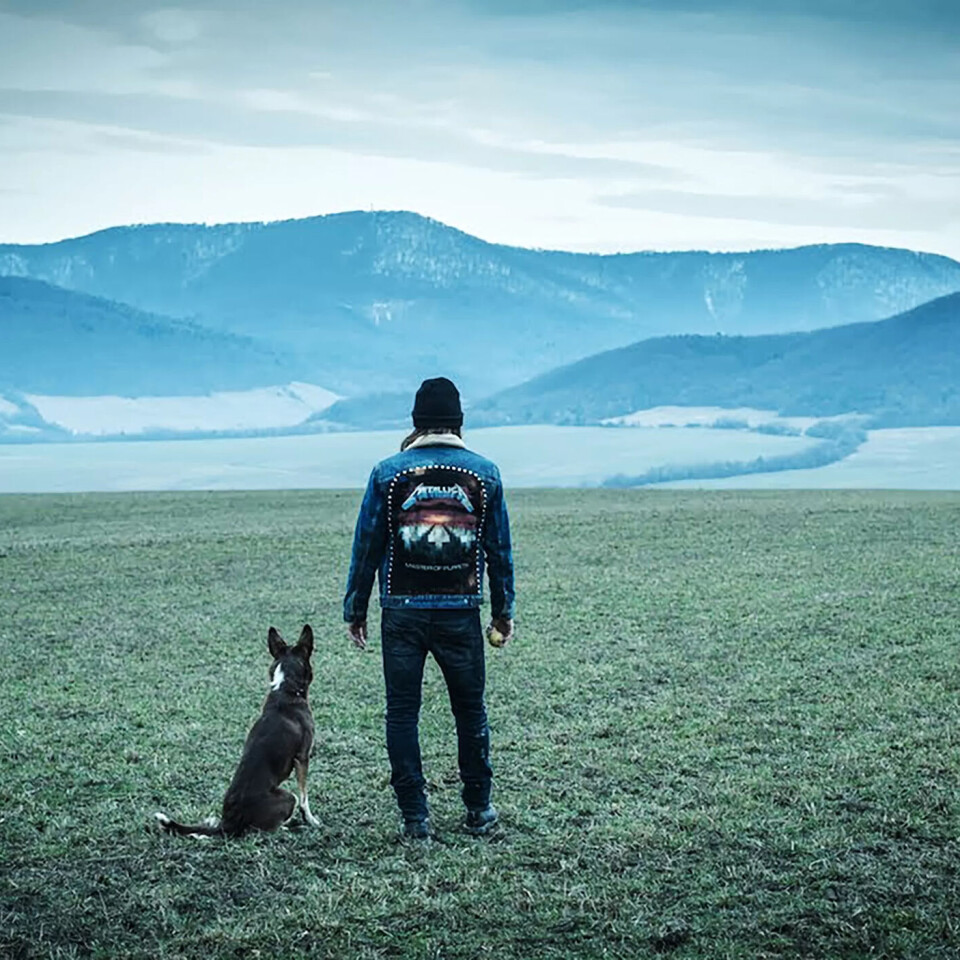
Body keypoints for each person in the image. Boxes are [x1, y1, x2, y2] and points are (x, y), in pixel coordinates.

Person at [343, 376, 515, 840]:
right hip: (461, 610)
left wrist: (355, 608)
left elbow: (367, 546)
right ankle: (479, 810)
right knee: (470, 711)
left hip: (401, 611)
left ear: (415, 423)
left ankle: (414, 819)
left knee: (402, 712)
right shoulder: (485, 473)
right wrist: (503, 611)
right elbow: (500, 550)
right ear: (459, 422)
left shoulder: (387, 473)